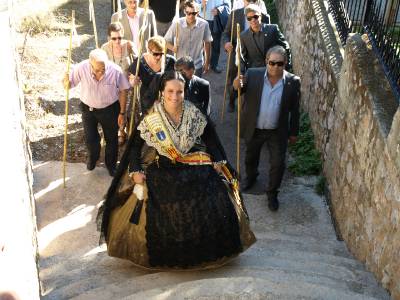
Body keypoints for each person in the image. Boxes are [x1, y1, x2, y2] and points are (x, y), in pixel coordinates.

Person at [98, 70, 255, 269]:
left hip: (191, 164)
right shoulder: (151, 117)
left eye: (179, 92)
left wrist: (218, 161)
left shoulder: (194, 113)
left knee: (213, 190)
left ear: (184, 91)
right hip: (161, 168)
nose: (175, 96)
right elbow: (135, 147)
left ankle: (202, 251)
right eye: (170, 91)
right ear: (162, 91)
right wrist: (135, 170)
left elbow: (211, 141)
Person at [233, 46, 300, 211]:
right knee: (250, 157)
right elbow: (236, 93)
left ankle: (272, 193)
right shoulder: (253, 74)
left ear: (285, 63)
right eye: (272, 63)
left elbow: (295, 109)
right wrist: (236, 85)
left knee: (278, 163)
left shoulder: (293, 82)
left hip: (277, 131)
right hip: (254, 128)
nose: (275, 67)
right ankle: (251, 178)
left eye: (279, 64)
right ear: (266, 62)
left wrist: (293, 132)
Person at [63, 49, 130, 176]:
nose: (101, 72)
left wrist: (122, 113)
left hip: (110, 109)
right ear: (90, 64)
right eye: (97, 70)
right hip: (88, 110)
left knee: (111, 139)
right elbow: (69, 85)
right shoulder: (81, 68)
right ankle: (93, 158)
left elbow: (123, 91)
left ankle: (111, 166)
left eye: (103, 69)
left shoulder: (115, 71)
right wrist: (65, 81)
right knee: (91, 139)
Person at [223, 0, 270, 112]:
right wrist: (226, 43)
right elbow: (226, 33)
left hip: (256, 52)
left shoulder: (264, 16)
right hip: (237, 50)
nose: (250, 2)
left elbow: (268, 35)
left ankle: (251, 105)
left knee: (254, 77)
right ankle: (231, 99)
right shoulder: (235, 14)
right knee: (233, 74)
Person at [101, 22, 136, 145]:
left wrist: (133, 75)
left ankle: (122, 131)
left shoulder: (129, 45)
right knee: (113, 109)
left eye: (119, 38)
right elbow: (101, 66)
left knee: (124, 108)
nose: (117, 41)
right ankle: (115, 130)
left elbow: (137, 63)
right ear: (109, 37)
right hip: (111, 84)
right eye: (114, 38)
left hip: (127, 85)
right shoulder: (104, 48)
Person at [128, 35, 176, 115]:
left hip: (166, 99)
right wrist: (133, 81)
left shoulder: (171, 61)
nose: (159, 57)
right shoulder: (140, 62)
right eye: (156, 54)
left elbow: (177, 80)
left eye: (162, 54)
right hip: (147, 100)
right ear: (149, 50)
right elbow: (131, 81)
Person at [165, 0, 212, 77]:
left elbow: (207, 43)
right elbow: (165, 41)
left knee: (196, 88)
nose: (191, 16)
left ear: (197, 12)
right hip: (180, 65)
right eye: (188, 13)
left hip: (196, 65)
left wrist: (207, 62)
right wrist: (173, 48)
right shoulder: (177, 24)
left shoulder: (204, 24)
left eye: (193, 13)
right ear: (184, 11)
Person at [240, 4, 291, 71]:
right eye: (249, 18)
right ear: (247, 19)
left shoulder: (273, 29)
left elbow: (285, 47)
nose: (253, 20)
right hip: (256, 73)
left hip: (275, 70)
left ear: (260, 16)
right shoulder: (243, 36)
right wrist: (242, 73)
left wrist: (286, 66)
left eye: (255, 17)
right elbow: (242, 57)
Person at [195, 0, 231, 73]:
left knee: (216, 44)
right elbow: (194, 5)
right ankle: (201, 64)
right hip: (203, 19)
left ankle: (214, 65)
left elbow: (228, 5)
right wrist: (201, 4)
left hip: (216, 20)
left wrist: (219, 10)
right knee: (201, 43)